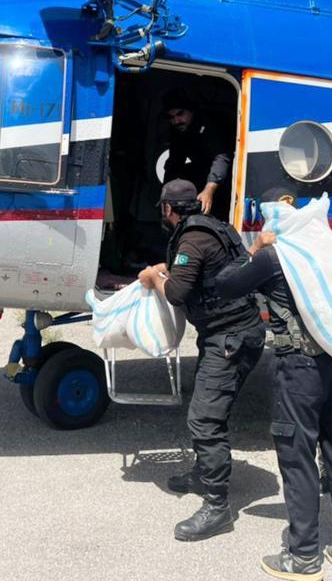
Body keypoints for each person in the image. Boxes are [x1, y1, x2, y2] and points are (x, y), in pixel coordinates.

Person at [215, 196, 332, 581]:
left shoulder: (275, 256)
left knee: (297, 455)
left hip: (300, 368)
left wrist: (254, 247)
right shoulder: (330, 252)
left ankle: (303, 556)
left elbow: (226, 285)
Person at [138, 179, 265, 541]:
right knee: (205, 407)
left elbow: (178, 292)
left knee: (205, 419)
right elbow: (203, 269)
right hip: (232, 333)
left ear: (168, 208)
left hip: (230, 337)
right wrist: (168, 267)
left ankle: (217, 507)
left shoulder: (192, 238)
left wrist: (153, 277)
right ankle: (201, 474)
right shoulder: (213, 227)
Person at [161, 87, 231, 215]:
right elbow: (175, 162)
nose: (176, 121)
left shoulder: (208, 124)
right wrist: (166, 194)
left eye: (180, 114)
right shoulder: (177, 131)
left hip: (223, 176)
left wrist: (209, 189)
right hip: (201, 170)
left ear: (192, 111)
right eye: (171, 117)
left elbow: (221, 156)